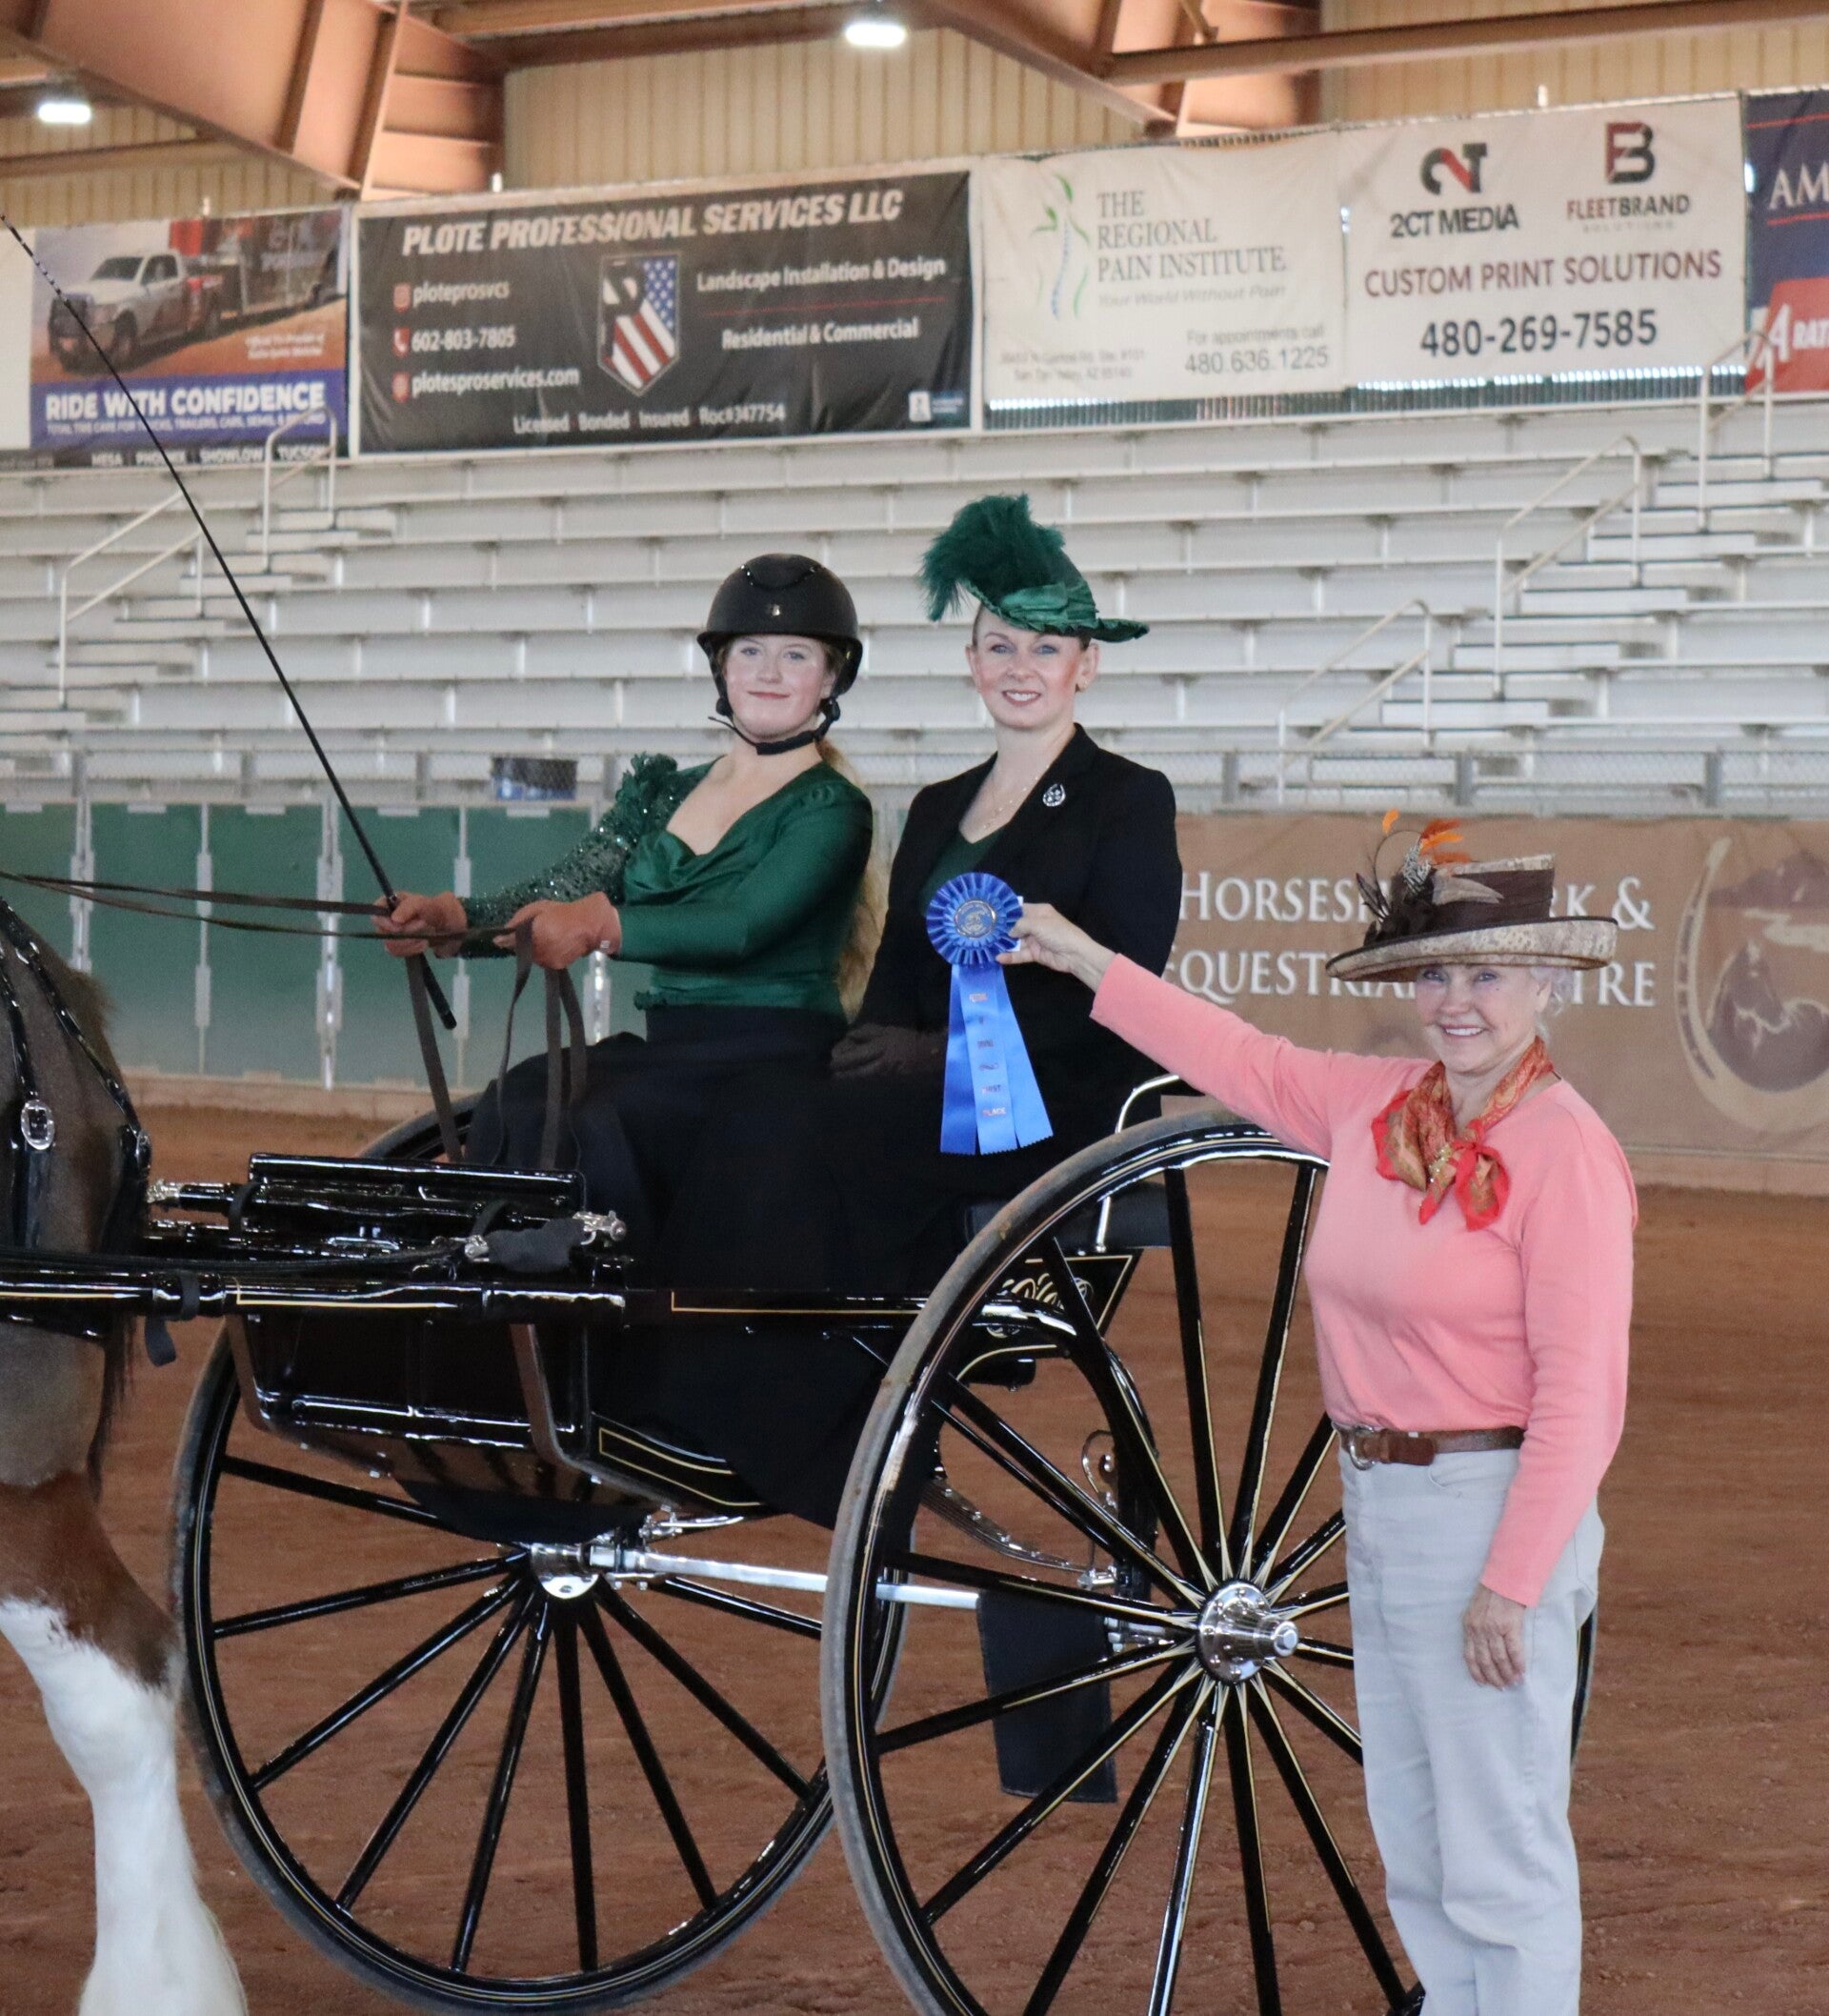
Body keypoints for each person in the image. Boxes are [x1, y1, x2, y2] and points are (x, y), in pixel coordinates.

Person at [1004, 823, 1634, 2016]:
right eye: (1435, 972)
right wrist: (1085, 957)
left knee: (1499, 1848)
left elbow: (1584, 1393)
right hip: (1384, 1507)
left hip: (1489, 1513)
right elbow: (1231, 1052)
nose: (1456, 1001)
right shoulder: (1377, 1106)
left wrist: (1510, 1581)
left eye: (1487, 972)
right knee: (1417, 1835)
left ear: (1548, 983)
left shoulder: (1568, 1153)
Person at [629, 494, 1182, 1519]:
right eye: (1000, 646)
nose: (1021, 667)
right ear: (971, 662)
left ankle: (795, 1424)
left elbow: (1123, 979)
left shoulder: (1126, 798)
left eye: (1046, 648)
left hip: (1040, 1101)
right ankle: (699, 1384)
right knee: (753, 1100)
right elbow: (893, 969)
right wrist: (873, 1045)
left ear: (1086, 665)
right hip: (923, 1089)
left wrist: (935, 1060)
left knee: (784, 1127)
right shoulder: (935, 806)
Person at [378, 554, 879, 1247]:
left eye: (795, 655)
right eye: (750, 652)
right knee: (520, 1098)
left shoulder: (832, 808)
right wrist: (453, 920)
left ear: (830, 678)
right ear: (722, 669)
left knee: (601, 1119)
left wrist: (603, 926)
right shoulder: (666, 793)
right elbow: (565, 886)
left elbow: (742, 925)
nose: (768, 672)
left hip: (771, 1056)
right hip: (674, 1052)